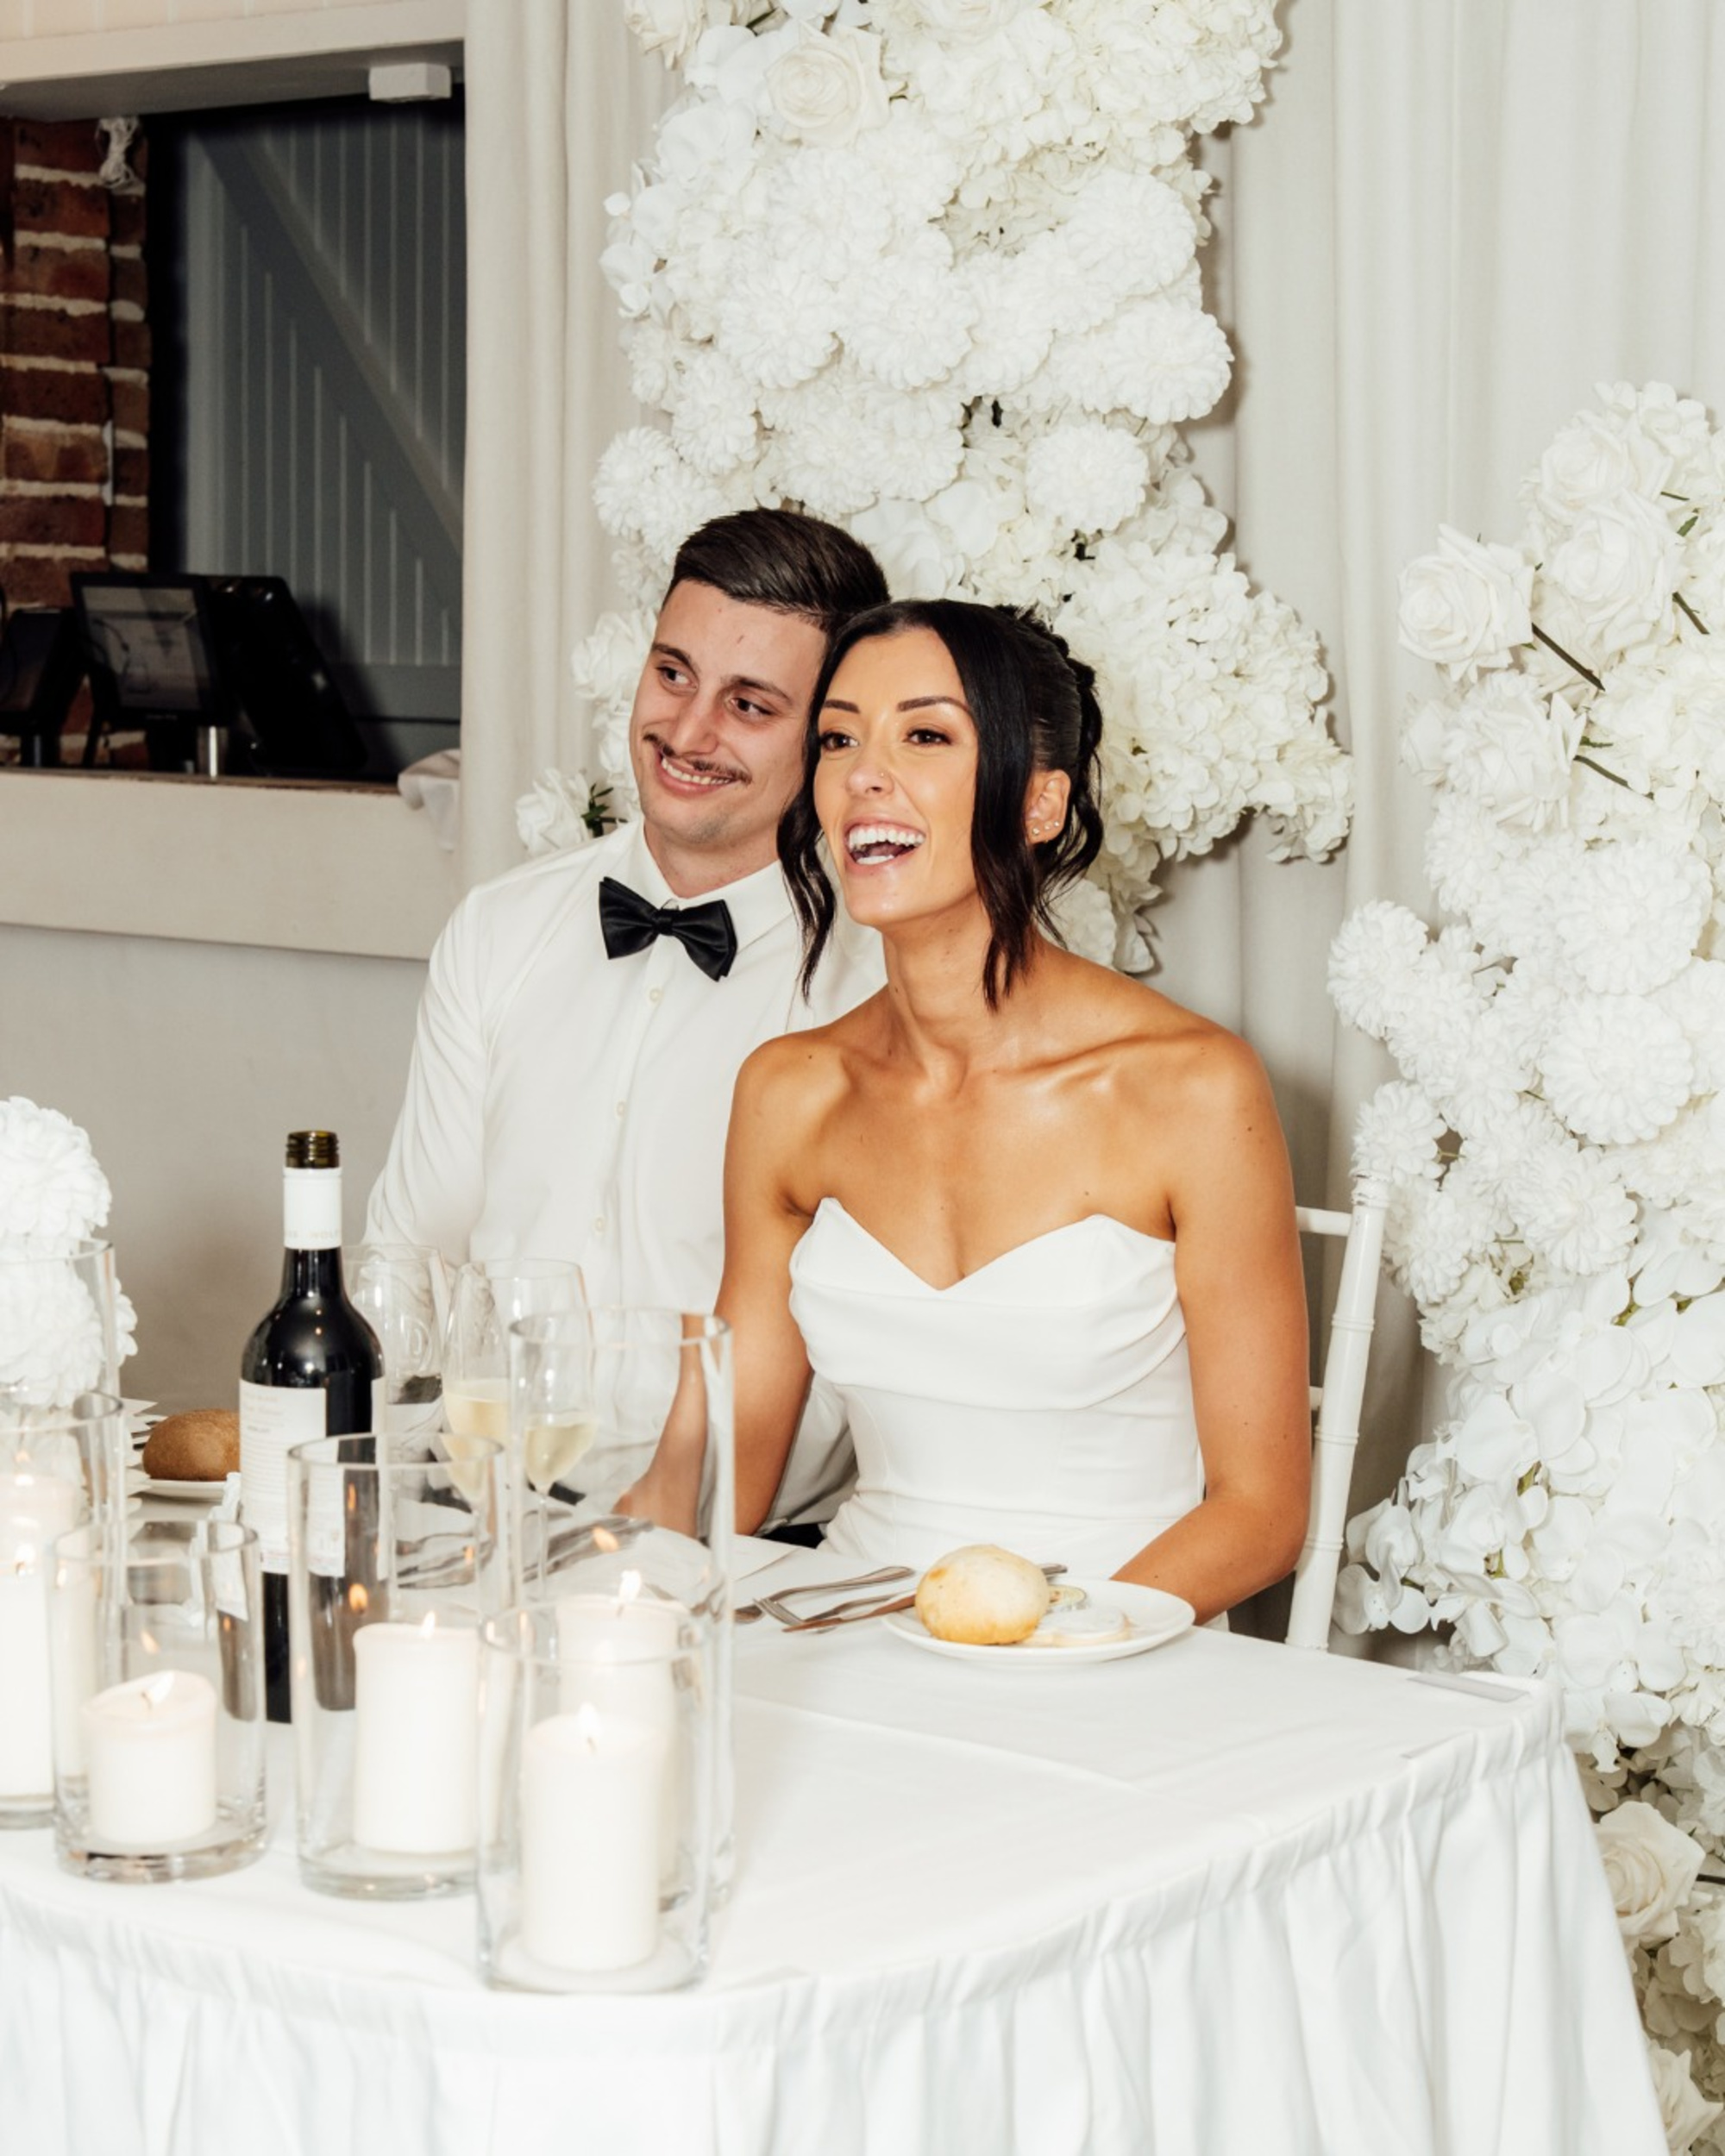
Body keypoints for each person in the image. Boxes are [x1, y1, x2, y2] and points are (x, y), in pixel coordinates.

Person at [629, 599, 1312, 1620]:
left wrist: (1050, 1642)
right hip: (851, 1629)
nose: (863, 773)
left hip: (1114, 1644)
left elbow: (1260, 1511)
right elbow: (722, 1465)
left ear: (1039, 804)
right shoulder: (788, 1090)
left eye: (924, 735)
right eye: (837, 737)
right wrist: (565, 1569)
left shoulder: (1193, 1088)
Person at [366, 509, 889, 1525]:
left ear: (829, 738)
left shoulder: (876, 984)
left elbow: (878, 1339)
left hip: (762, 1548)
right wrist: (373, 1494)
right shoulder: (499, 928)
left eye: (750, 704)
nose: (688, 732)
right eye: (672, 674)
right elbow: (413, 1249)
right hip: (486, 1508)